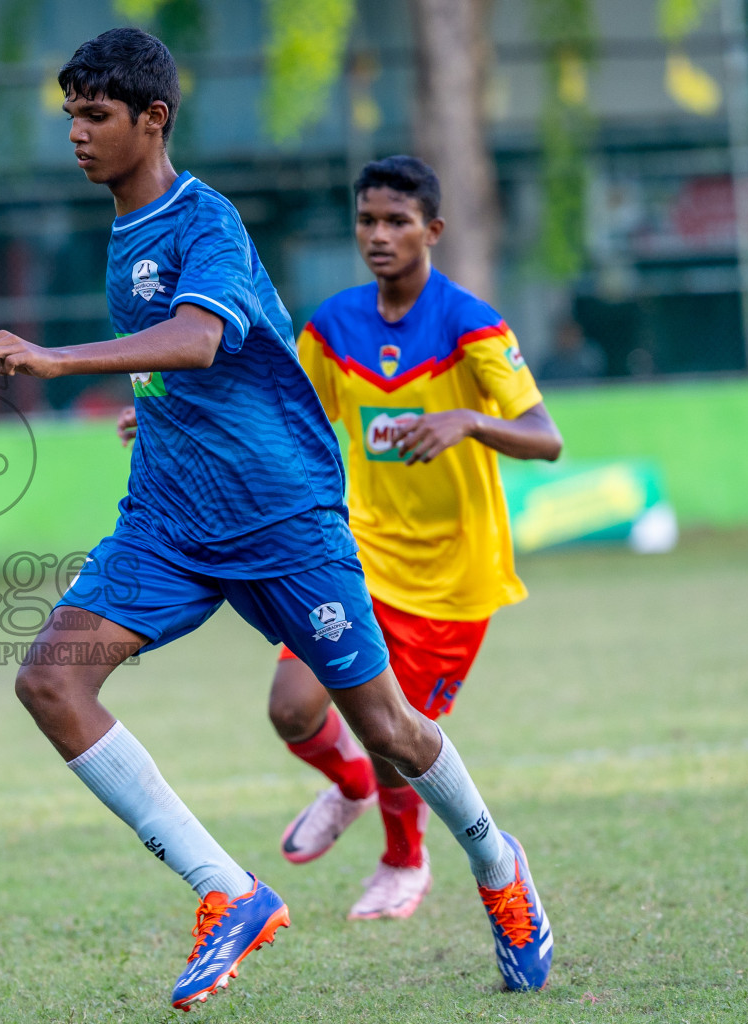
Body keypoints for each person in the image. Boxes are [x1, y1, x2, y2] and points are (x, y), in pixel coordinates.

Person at [0, 30, 552, 1009]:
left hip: (283, 516)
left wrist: (57, 361)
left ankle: (498, 867)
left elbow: (201, 338)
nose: (75, 132)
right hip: (169, 515)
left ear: (152, 119)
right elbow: (190, 361)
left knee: (391, 730)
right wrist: (148, 396)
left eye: (94, 115)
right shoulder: (121, 232)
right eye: (69, 113)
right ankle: (228, 893)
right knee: (52, 682)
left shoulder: (208, 222)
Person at [120, 155, 564, 923]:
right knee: (293, 709)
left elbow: (544, 436)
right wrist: (172, 416)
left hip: (452, 573)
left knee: (400, 737)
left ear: (434, 230)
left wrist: (468, 422)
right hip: (355, 553)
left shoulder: (473, 325)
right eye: (367, 220)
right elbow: (282, 411)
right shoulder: (333, 327)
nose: (379, 235)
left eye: (397, 221)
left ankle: (405, 860)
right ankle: (351, 785)